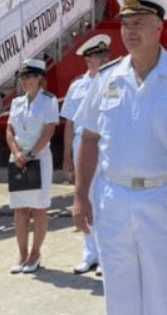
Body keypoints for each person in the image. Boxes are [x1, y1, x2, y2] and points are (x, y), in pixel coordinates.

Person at [72, 0, 167, 315]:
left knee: (165, 298)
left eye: (139, 23)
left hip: (166, 199)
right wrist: (81, 197)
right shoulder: (107, 78)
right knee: (119, 300)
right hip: (113, 199)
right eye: (125, 24)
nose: (130, 31)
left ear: (159, 27)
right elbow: (90, 138)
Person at [61, 33, 113, 275]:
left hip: (106, 147)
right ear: (87, 60)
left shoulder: (113, 82)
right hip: (82, 147)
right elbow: (70, 124)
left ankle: (105, 255)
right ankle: (89, 254)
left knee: (104, 200)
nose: (101, 60)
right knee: (84, 199)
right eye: (96, 56)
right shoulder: (77, 86)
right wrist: (67, 157)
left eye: (103, 55)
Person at [6, 58, 59, 274]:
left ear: (40, 78)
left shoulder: (49, 101)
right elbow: (9, 130)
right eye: (23, 77)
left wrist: (30, 153)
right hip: (18, 158)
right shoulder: (17, 103)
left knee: (38, 208)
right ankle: (22, 253)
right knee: (20, 208)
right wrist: (17, 152)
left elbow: (49, 131)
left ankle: (35, 254)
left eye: (29, 77)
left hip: (38, 158)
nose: (24, 81)